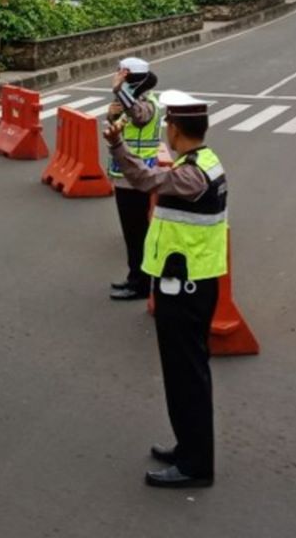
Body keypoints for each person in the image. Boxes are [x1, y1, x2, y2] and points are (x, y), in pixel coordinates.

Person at [104, 90, 228, 489]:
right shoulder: (203, 162)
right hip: (190, 283)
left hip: (187, 288)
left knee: (186, 375)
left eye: (168, 127)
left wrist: (116, 144)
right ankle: (188, 446)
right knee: (183, 373)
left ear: (175, 129)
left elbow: (143, 179)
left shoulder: (191, 174)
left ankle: (195, 464)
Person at [106, 57, 162, 301]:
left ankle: (141, 284)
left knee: (137, 233)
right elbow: (125, 126)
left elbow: (139, 117)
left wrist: (119, 91)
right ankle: (133, 277)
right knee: (131, 233)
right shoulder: (129, 102)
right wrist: (111, 116)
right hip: (125, 176)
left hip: (138, 178)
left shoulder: (147, 103)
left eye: (122, 76)